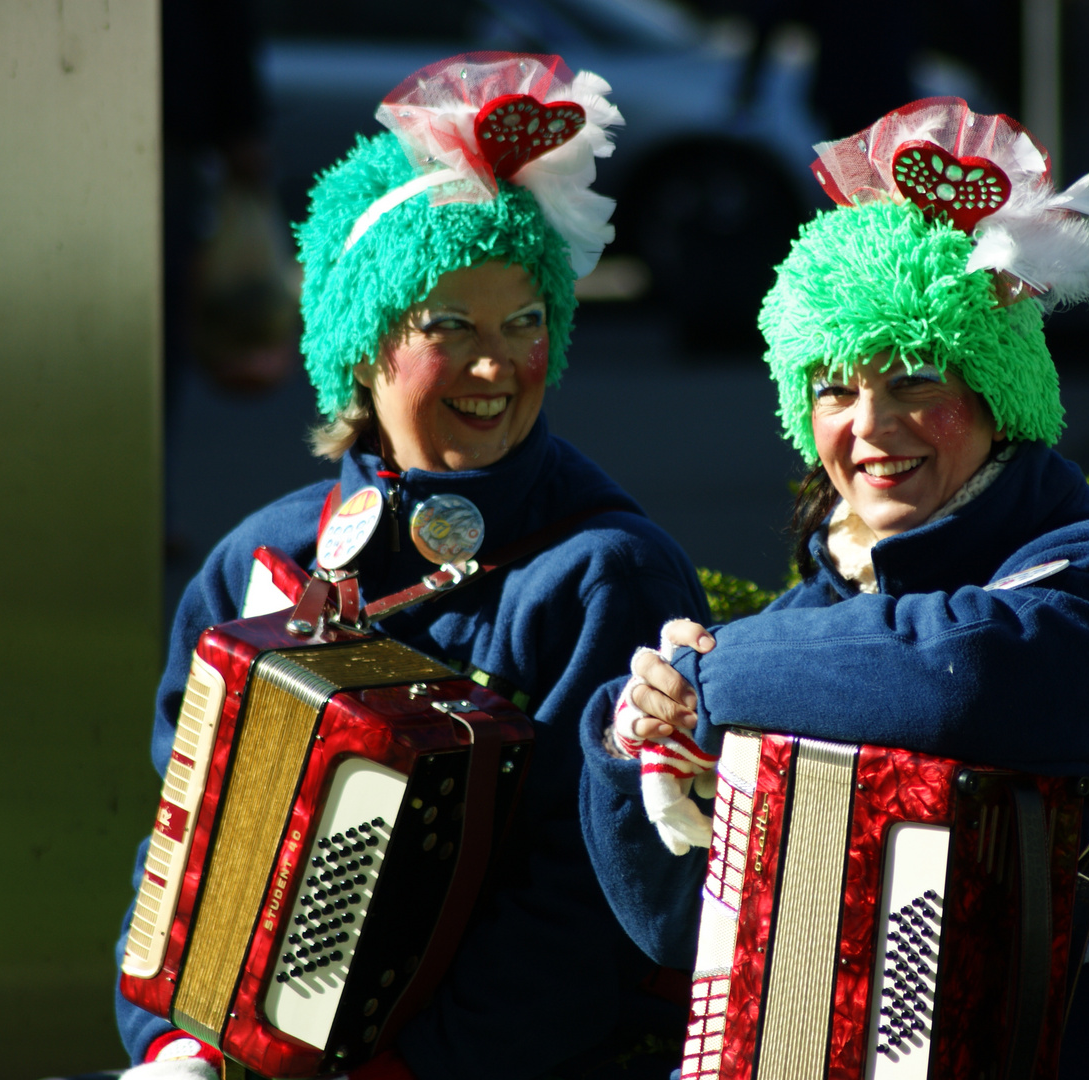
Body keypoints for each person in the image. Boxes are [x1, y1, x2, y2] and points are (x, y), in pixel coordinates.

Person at [579, 98, 1089, 1078]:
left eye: (917, 381)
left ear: (998, 393)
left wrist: (707, 675)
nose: (871, 426)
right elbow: (680, 932)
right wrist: (628, 737)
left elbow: (963, 675)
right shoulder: (811, 625)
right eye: (836, 388)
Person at [115, 53, 708, 1080]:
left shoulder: (606, 574)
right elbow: (181, 842)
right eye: (450, 327)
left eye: (525, 324)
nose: (495, 365)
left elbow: (580, 911)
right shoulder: (256, 561)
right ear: (363, 342)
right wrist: (173, 1040)